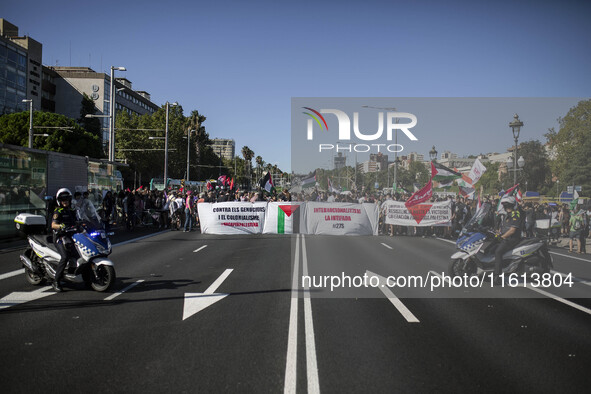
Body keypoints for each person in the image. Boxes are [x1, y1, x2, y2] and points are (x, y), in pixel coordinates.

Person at [50, 188, 78, 292]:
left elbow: (78, 221)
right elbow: (53, 224)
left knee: (78, 254)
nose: (65, 201)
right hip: (60, 237)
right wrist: (60, 226)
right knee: (65, 257)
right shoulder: (58, 211)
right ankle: (56, 281)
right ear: (59, 201)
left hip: (71, 237)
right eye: (63, 200)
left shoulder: (72, 211)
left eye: (67, 199)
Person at [494, 195, 524, 282]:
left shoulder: (515, 214)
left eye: (507, 205)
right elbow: (502, 227)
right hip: (505, 237)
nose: (505, 207)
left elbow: (512, 230)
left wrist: (502, 237)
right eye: (505, 205)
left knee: (498, 252)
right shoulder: (506, 214)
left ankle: (497, 276)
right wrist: (497, 233)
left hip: (512, 238)